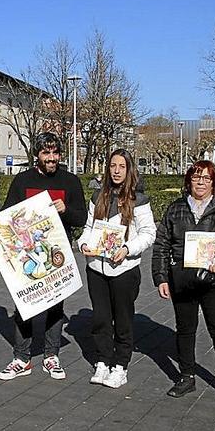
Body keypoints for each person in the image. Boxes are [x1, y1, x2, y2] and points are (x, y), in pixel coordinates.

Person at [151, 160, 215, 405]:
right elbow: (162, 245)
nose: (201, 182)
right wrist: (161, 277)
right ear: (188, 181)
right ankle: (186, 376)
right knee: (185, 330)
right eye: (196, 178)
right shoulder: (175, 209)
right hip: (182, 280)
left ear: (214, 183)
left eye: (206, 178)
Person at [0, 132, 87, 381]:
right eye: (46, 153)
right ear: (37, 154)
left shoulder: (70, 181)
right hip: (26, 253)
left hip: (57, 252)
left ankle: (51, 355)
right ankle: (21, 358)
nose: (51, 158)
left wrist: (65, 209)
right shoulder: (23, 180)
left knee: (55, 303)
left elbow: (81, 218)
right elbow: (7, 213)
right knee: (23, 304)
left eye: (55, 153)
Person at [77, 149, 156, 388]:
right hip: (96, 269)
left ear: (129, 169)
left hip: (124, 269)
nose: (117, 171)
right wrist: (83, 244)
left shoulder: (139, 200)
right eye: (113, 166)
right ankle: (103, 361)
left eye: (122, 166)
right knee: (100, 318)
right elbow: (89, 228)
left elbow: (149, 233)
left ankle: (120, 366)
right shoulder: (97, 197)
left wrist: (127, 248)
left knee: (123, 320)